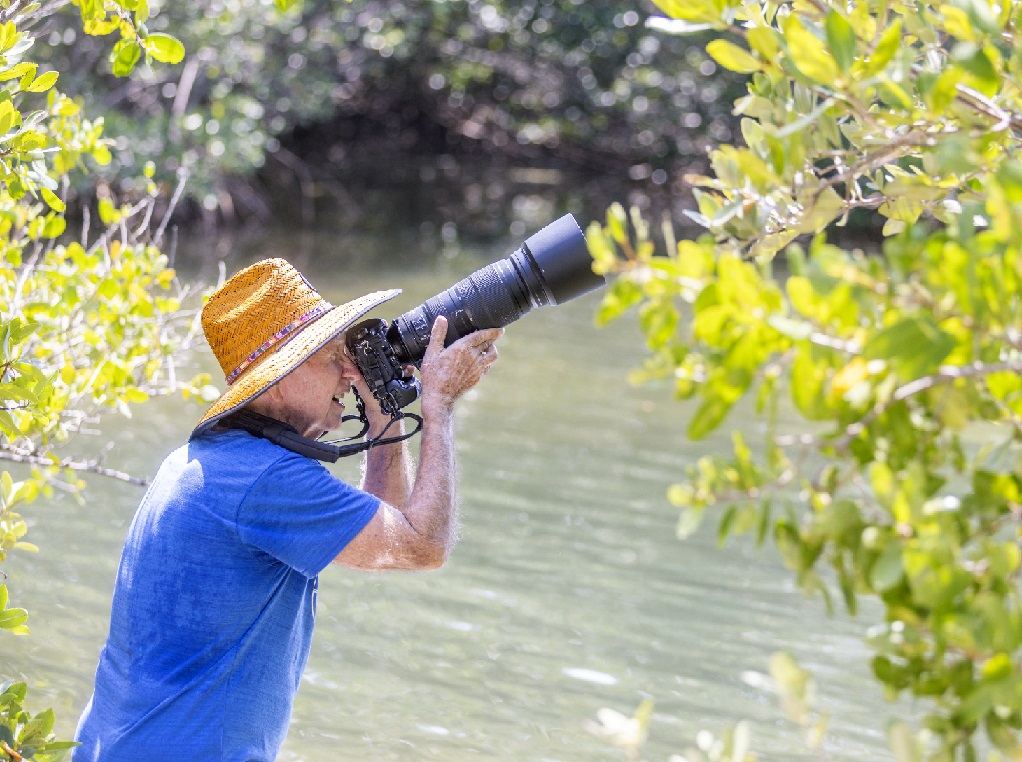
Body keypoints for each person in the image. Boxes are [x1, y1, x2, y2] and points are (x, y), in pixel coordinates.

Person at [74, 258, 503, 761]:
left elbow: (383, 537)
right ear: (275, 380)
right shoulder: (265, 479)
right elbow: (422, 546)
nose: (349, 372)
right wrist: (439, 405)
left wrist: (383, 414)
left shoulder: (219, 462)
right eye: (330, 359)